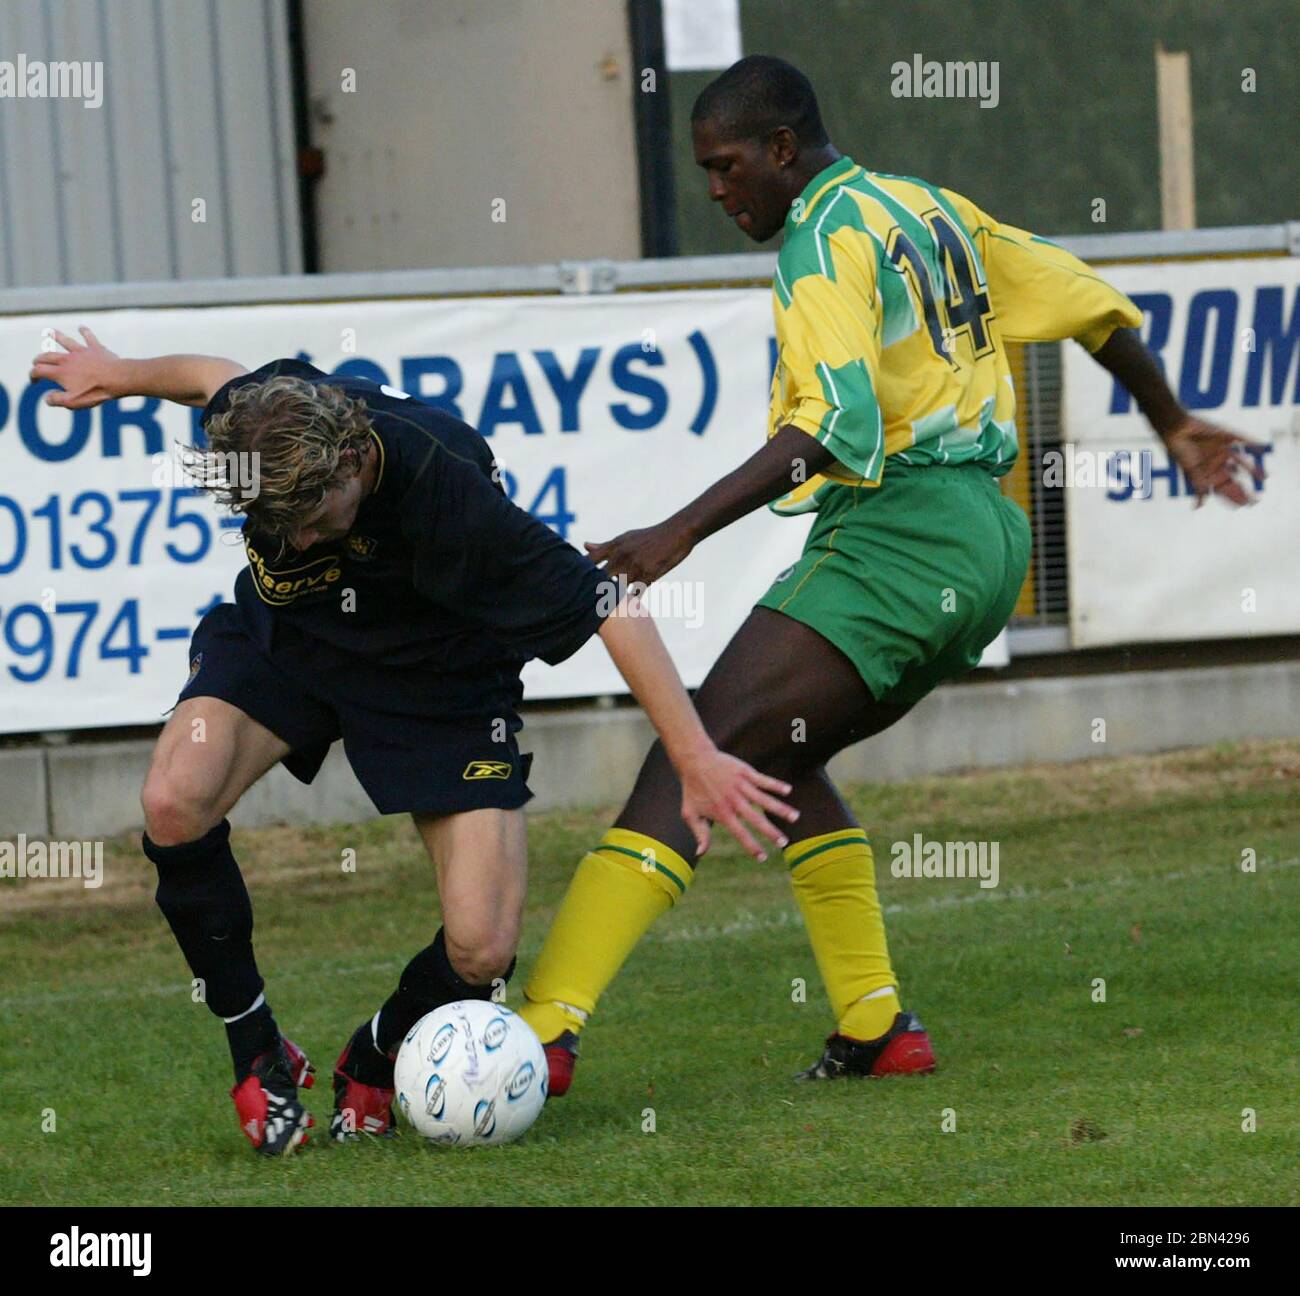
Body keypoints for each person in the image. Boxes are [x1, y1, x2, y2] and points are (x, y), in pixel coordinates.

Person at [517, 55, 1264, 1094]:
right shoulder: (927, 206)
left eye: (728, 166)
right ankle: (874, 1025)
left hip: (905, 535)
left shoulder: (824, 238)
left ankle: (536, 1035)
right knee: (777, 753)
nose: (719, 189)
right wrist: (1169, 419)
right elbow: (1092, 307)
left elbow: (830, 424)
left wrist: (676, 533)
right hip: (984, 543)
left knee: (694, 752)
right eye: (704, 172)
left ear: (782, 150)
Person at [30, 330, 798, 1155]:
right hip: (293, 645)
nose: (294, 542)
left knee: (482, 949)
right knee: (171, 800)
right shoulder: (269, 425)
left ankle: (379, 1048)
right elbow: (208, 376)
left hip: (441, 675)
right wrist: (119, 375)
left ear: (358, 461)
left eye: (313, 520)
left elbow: (612, 605)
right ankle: (257, 1051)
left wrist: (694, 757)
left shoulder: (446, 493)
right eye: (274, 524)